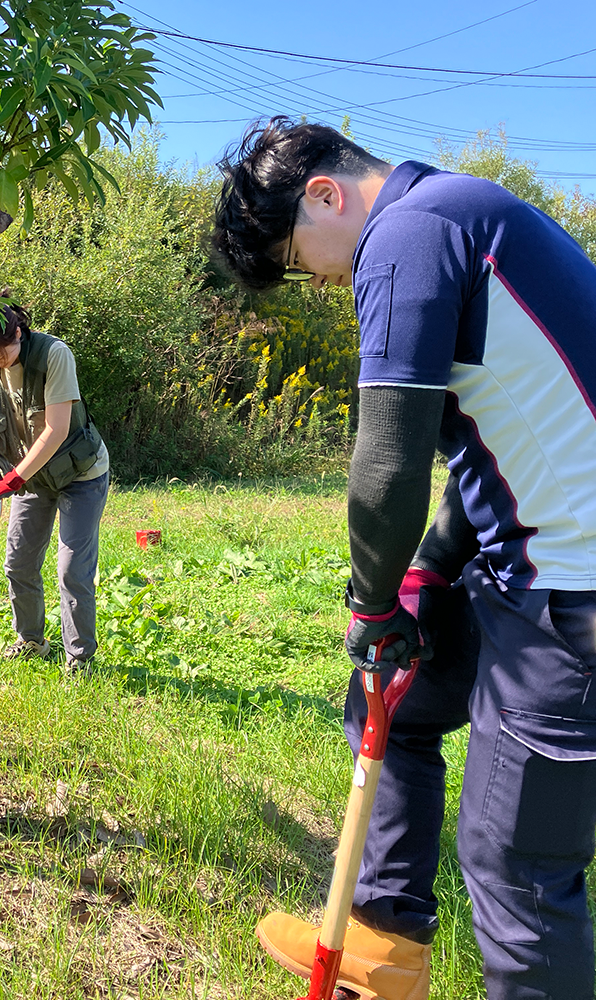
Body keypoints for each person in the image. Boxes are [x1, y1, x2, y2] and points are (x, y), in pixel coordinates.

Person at [213, 116, 596, 1000]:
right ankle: (385, 944)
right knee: (393, 694)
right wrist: (421, 578)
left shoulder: (408, 233)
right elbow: (497, 445)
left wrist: (371, 601)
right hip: (529, 570)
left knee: (514, 869)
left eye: (306, 263)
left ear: (324, 195)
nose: (325, 283)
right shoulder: (461, 215)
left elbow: (387, 461)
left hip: (569, 593)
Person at [0, 297, 110, 675]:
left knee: (71, 568)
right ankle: (31, 641)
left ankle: (80, 661)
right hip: (31, 479)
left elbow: (56, 430)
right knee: (18, 563)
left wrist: (10, 480)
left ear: (18, 334)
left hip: (79, 474)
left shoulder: (54, 355)